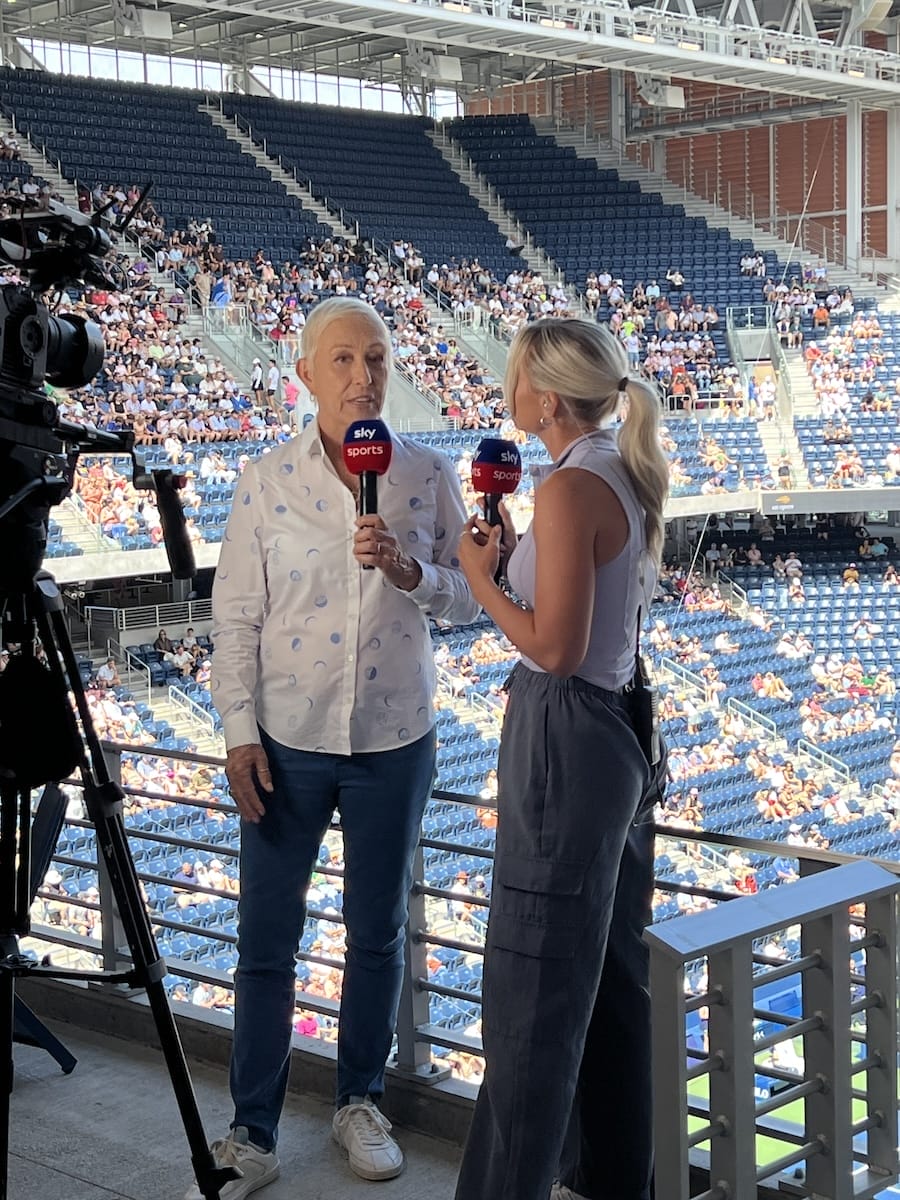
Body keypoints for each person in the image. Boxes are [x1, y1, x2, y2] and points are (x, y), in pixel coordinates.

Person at [196, 297, 479, 1200]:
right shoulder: (265, 480)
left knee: (377, 932)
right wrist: (238, 733)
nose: (364, 376)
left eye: (378, 358)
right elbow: (235, 621)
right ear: (307, 374)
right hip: (289, 739)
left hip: (395, 739)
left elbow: (470, 598)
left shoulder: (429, 473)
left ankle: (360, 1099)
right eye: (345, 359)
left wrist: (410, 571)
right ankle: (253, 1131)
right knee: (266, 942)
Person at [453, 318, 669, 1200]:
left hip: (568, 738)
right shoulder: (617, 466)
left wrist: (479, 581)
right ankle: (612, 1181)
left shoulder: (572, 485)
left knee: (531, 994)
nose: (506, 388)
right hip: (613, 733)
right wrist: (512, 563)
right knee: (613, 985)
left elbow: (554, 648)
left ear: (545, 398)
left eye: (515, 376)